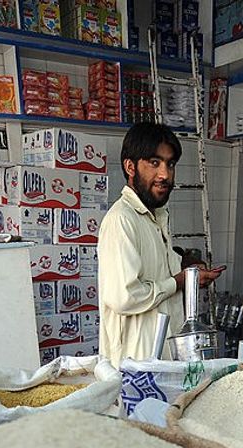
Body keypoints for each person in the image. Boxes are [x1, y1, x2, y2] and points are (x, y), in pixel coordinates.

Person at [97, 122, 223, 365]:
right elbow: (124, 296)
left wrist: (191, 274)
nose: (165, 174)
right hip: (135, 366)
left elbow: (158, 270)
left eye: (170, 164)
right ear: (130, 166)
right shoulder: (121, 220)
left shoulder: (157, 217)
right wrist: (178, 282)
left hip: (163, 357)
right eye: (154, 163)